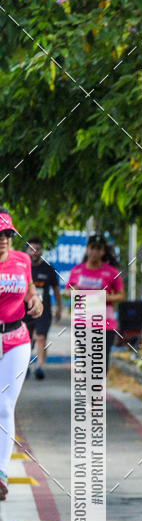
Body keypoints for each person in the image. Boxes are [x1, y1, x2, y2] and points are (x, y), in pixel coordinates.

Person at [0, 209, 43, 499]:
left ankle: (1, 473)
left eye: (7, 235)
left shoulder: (22, 261)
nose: (3, 240)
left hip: (16, 339)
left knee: (3, 404)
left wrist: (35, 300)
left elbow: (29, 291)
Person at [66, 234, 125, 371]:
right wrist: (74, 292)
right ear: (87, 250)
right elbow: (68, 291)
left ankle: (96, 390)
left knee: (100, 364)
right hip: (83, 323)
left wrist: (104, 297)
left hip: (105, 324)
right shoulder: (77, 270)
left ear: (103, 252)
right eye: (92, 248)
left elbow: (121, 295)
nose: (95, 252)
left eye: (98, 249)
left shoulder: (111, 272)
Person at [24, 237, 62, 380]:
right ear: (27, 250)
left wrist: (59, 308)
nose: (34, 252)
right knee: (27, 339)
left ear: (42, 251)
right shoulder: (22, 267)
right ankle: (25, 365)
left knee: (41, 337)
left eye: (37, 249)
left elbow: (56, 289)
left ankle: (40, 367)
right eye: (31, 249)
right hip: (24, 309)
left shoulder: (48, 269)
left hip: (43, 309)